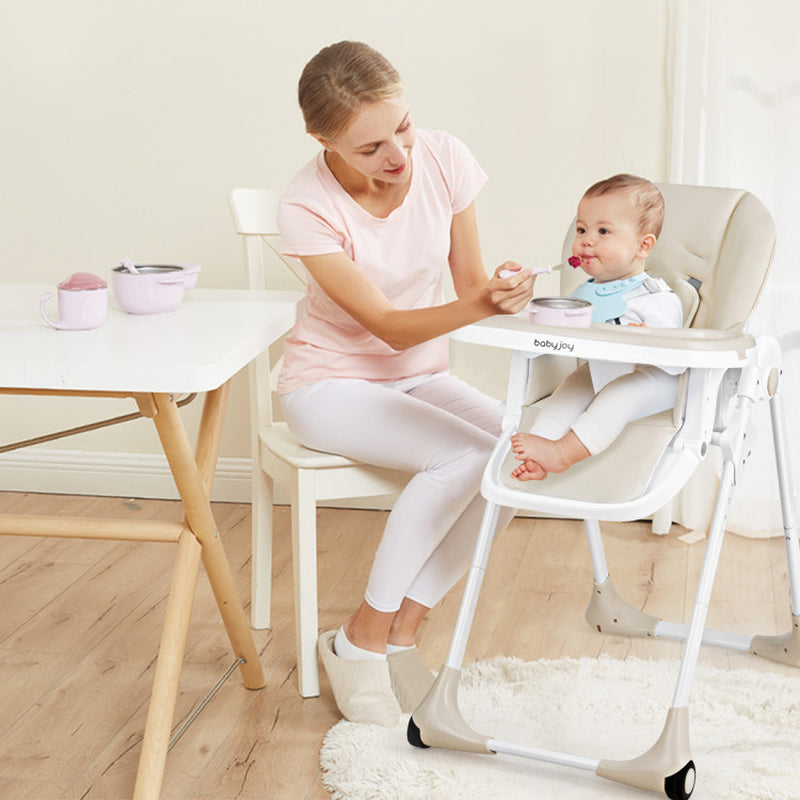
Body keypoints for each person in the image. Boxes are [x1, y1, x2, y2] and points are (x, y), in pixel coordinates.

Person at [276, 41, 533, 726]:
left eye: (403, 128)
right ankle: (360, 639)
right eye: (369, 148)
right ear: (321, 140)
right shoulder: (306, 206)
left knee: (519, 459)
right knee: (467, 456)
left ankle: (398, 631)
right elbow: (388, 326)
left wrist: (503, 291)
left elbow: (472, 287)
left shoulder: (445, 157)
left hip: (419, 379)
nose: (397, 156)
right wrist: (484, 305)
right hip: (327, 386)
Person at [510, 174, 683, 481]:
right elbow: (566, 338)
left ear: (643, 246)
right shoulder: (584, 296)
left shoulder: (655, 296)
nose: (586, 239)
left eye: (603, 231)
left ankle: (562, 454)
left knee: (619, 395)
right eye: (581, 229)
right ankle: (542, 446)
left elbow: (677, 357)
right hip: (605, 370)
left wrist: (648, 338)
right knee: (574, 385)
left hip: (655, 382)